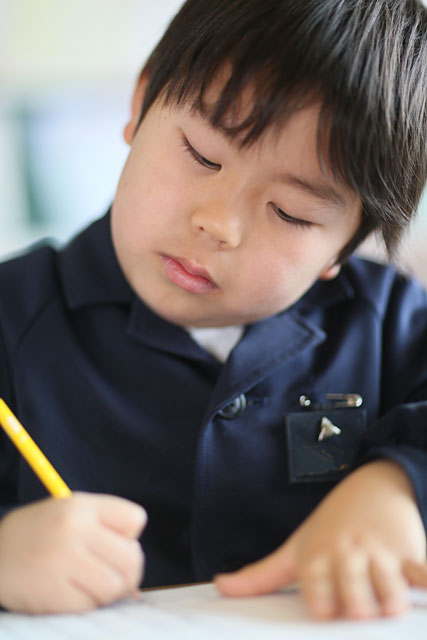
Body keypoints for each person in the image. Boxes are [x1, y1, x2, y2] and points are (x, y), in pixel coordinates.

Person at [0, 0, 426, 621]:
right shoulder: (13, 317)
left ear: (345, 246)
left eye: (291, 213)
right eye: (202, 155)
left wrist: (397, 484)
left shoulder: (388, 322)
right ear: (140, 104)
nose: (218, 224)